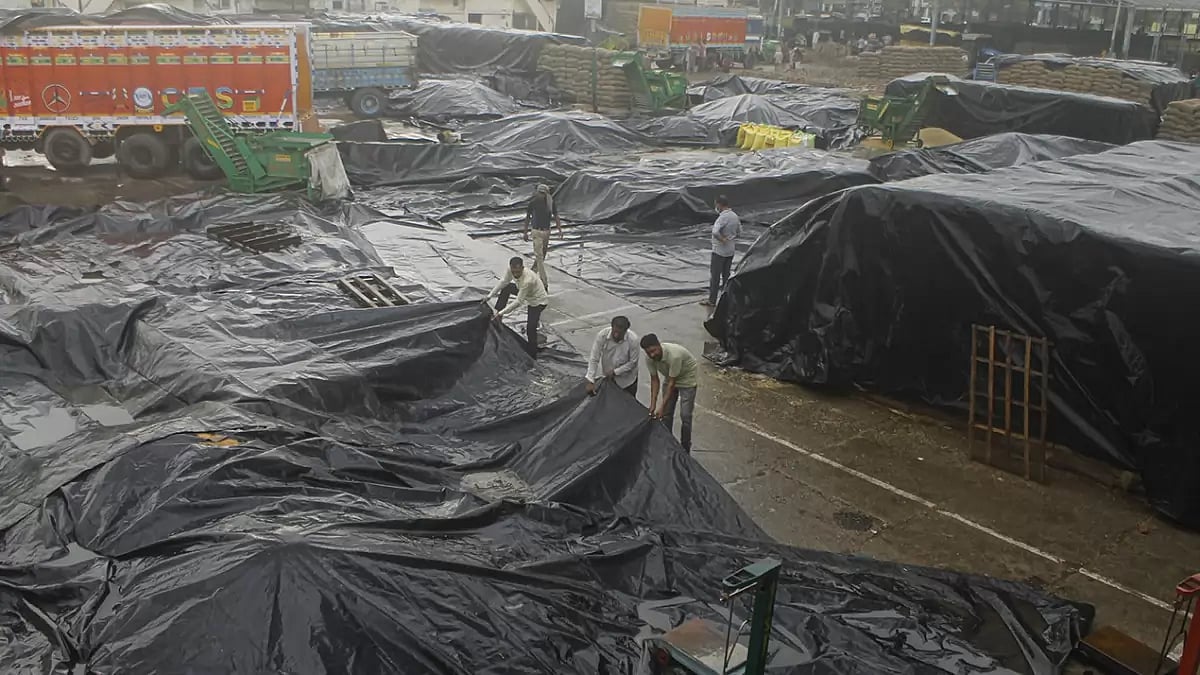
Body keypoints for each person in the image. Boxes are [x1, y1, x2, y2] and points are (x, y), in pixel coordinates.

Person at [640, 333, 698, 452]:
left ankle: (685, 446)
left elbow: (672, 384)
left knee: (685, 415)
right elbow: (654, 380)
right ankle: (667, 441)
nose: (652, 354)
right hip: (670, 376)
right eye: (648, 352)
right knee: (667, 414)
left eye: (654, 350)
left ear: (659, 345)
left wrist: (661, 407)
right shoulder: (649, 358)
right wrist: (653, 405)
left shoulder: (674, 356)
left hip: (686, 378)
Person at [487, 256, 549, 358]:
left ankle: (533, 356)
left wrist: (501, 313)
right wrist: (489, 296)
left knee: (531, 329)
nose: (515, 275)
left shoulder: (528, 280)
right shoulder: (511, 270)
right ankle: (498, 318)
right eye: (513, 272)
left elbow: (518, 301)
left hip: (537, 301)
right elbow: (503, 281)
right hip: (524, 292)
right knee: (506, 288)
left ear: (522, 268)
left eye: (517, 272)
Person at [701, 195, 740, 307]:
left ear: (719, 204)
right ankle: (727, 299)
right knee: (726, 276)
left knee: (715, 276)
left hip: (719, 251)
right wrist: (731, 238)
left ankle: (712, 301)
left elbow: (715, 232)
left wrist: (722, 239)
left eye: (716, 205)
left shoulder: (723, 218)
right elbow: (739, 231)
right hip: (730, 250)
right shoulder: (734, 216)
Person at [585, 316, 639, 396]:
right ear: (612, 326)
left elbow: (632, 362)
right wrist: (591, 380)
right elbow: (594, 358)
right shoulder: (602, 335)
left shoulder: (633, 340)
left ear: (626, 330)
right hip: (608, 379)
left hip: (626, 381)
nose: (616, 336)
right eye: (615, 332)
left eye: (620, 333)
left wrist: (615, 372)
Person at [523, 184, 562, 290]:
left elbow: (556, 216)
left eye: (542, 194)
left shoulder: (550, 203)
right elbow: (528, 217)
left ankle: (530, 274)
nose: (540, 195)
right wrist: (525, 232)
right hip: (536, 231)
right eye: (539, 193)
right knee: (539, 257)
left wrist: (559, 230)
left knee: (542, 255)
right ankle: (544, 282)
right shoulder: (533, 202)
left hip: (546, 231)